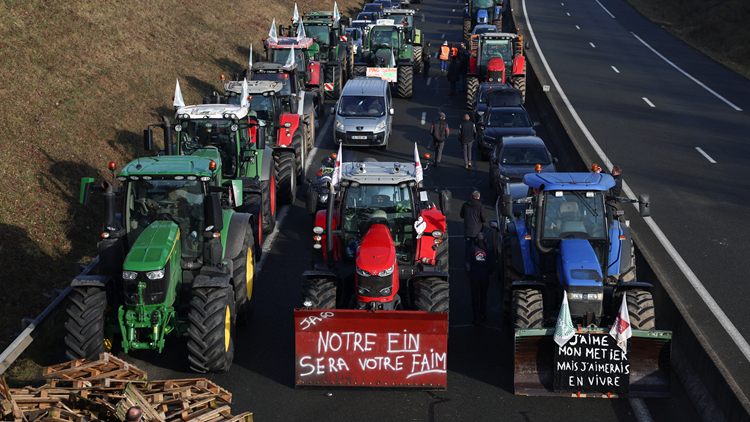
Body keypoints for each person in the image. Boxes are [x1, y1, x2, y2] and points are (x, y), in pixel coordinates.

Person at [469, 232, 495, 325]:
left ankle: (476, 317)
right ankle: (482, 315)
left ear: (476, 240)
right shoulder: (488, 250)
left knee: (475, 297)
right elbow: (492, 264)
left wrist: (469, 274)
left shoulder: (472, 249)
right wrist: (489, 273)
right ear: (485, 240)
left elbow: (468, 263)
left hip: (474, 276)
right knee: (484, 296)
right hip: (484, 277)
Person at [460, 190, 487, 271]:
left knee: (468, 247)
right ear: (478, 197)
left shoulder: (465, 205)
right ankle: (476, 262)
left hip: (468, 230)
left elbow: (461, 215)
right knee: (477, 247)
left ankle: (467, 263)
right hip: (477, 232)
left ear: (471, 197)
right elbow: (484, 219)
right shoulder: (480, 206)